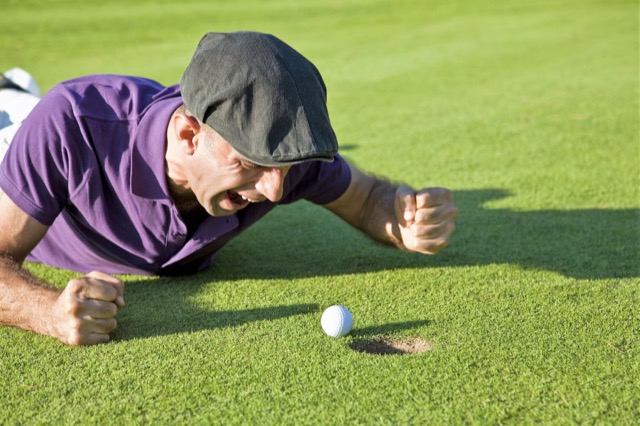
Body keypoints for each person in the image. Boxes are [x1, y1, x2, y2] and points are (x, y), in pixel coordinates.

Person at [0, 31, 458, 346]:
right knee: (14, 114)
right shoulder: (69, 126)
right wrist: (47, 311)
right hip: (14, 141)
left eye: (284, 166)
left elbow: (369, 199)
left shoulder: (283, 163)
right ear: (188, 135)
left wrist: (403, 216)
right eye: (253, 162)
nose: (277, 192)